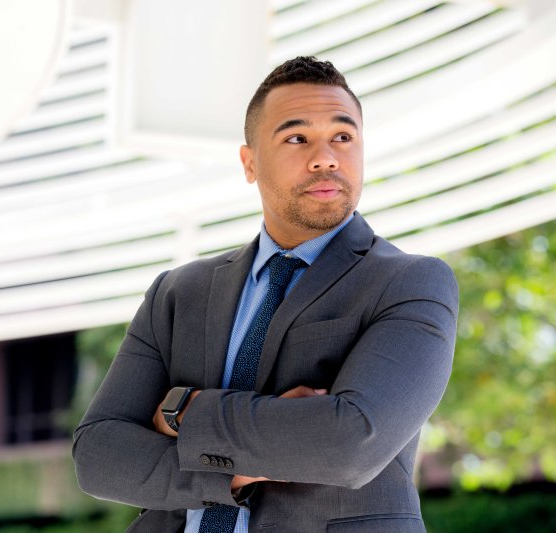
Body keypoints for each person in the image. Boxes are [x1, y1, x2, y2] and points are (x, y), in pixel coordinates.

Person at [72, 56, 459, 533]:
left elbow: (349, 445)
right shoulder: (177, 293)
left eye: (343, 136)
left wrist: (184, 411)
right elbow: (98, 455)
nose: (326, 157)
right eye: (297, 138)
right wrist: (234, 473)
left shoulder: (410, 283)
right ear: (250, 161)